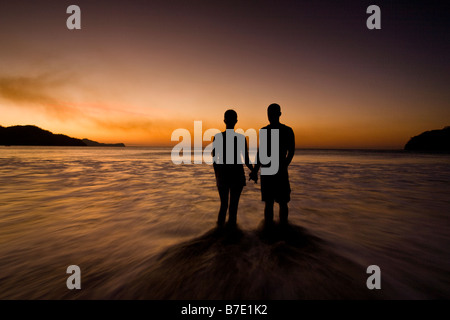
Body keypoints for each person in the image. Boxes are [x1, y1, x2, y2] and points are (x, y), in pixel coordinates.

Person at [250, 103, 295, 225]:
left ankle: (282, 227)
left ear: (279, 114)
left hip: (279, 170)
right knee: (270, 202)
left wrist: (284, 165)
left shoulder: (287, 130)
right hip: (268, 171)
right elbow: (261, 153)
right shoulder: (265, 131)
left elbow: (291, 151)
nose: (271, 116)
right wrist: (255, 170)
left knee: (282, 202)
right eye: (269, 114)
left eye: (273, 113)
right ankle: (270, 229)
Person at [212, 109, 253, 227]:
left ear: (224, 120)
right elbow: (246, 159)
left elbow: (215, 159)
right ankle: (231, 235)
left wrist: (217, 176)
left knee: (224, 206)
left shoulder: (218, 137)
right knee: (233, 207)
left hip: (224, 176)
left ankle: (219, 233)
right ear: (236, 121)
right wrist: (254, 170)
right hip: (236, 176)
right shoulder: (240, 138)